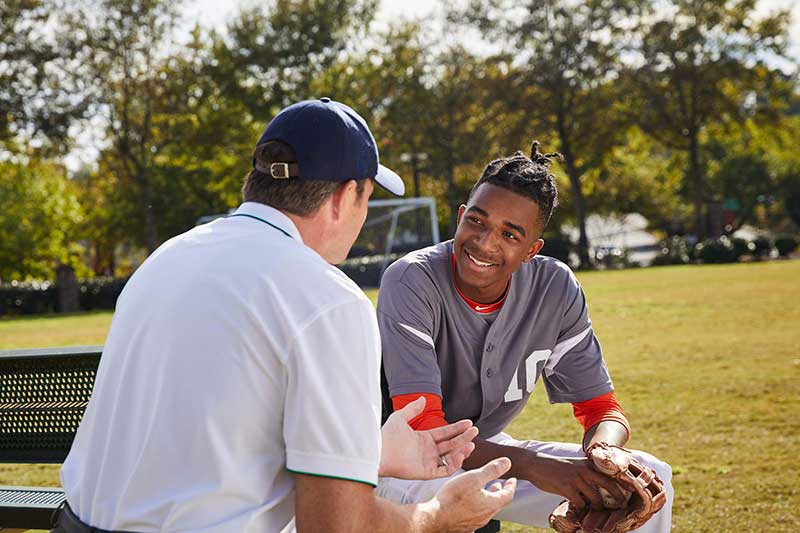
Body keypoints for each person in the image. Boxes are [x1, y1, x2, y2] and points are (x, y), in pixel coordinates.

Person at [55, 98, 516, 533]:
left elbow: (205, 447)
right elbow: (336, 526)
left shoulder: (168, 257)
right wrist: (438, 515)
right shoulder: (329, 299)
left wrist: (368, 452)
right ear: (343, 197)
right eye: (367, 198)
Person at [376, 142, 675, 530]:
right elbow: (429, 434)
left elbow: (602, 409)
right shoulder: (412, 279)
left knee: (646, 477)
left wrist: (605, 456)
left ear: (532, 249)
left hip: (489, 454)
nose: (485, 243)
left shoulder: (554, 287)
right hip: (401, 466)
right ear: (461, 217)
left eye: (510, 234)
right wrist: (537, 468)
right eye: (477, 222)